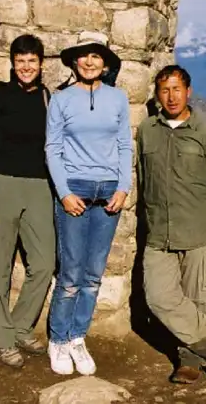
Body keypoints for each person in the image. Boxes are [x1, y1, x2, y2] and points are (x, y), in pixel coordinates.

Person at [136, 65, 206, 384]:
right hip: (159, 233)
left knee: (198, 298)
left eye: (177, 89)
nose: (171, 96)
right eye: (165, 90)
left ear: (188, 92)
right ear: (157, 95)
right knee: (158, 296)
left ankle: (188, 360)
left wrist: (195, 205)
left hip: (197, 231)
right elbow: (142, 176)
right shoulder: (148, 130)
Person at [45, 32, 133, 376]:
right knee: (70, 274)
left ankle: (78, 336)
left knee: (93, 275)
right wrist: (64, 192)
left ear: (105, 62)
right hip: (75, 190)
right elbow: (52, 148)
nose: (90, 61)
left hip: (109, 192)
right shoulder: (62, 100)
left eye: (96, 56)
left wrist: (123, 188)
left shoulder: (118, 98)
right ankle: (58, 338)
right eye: (84, 55)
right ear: (74, 61)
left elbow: (125, 145)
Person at [0, 34, 55, 368]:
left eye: (32, 61)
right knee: (0, 265)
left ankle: (21, 325)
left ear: (41, 64)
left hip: (39, 186)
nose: (26, 67)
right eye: (20, 60)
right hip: (2, 184)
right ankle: (2, 337)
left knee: (44, 263)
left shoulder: (48, 98)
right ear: (12, 63)